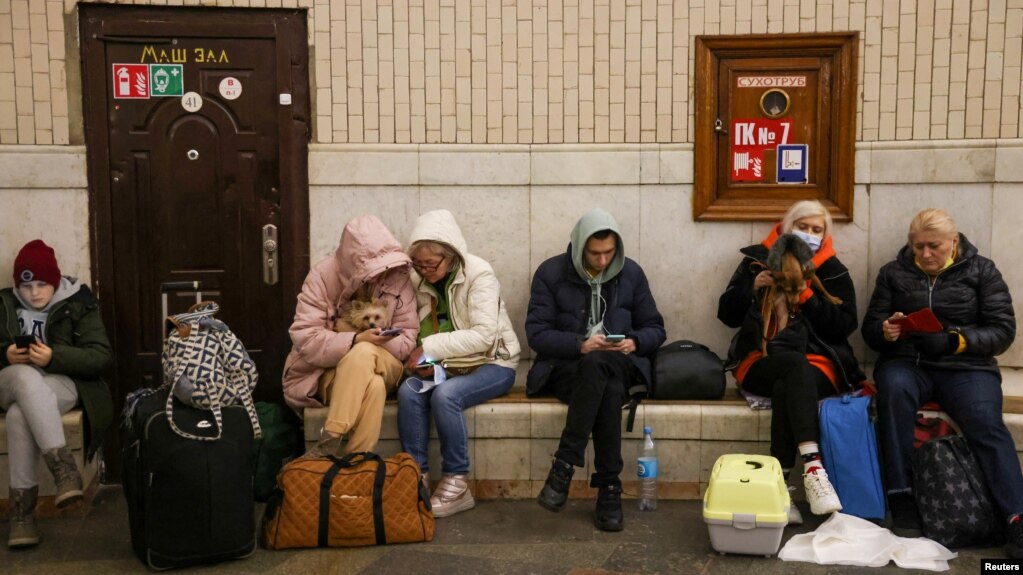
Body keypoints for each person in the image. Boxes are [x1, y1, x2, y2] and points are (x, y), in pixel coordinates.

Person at [862, 208, 1022, 556]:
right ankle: (900, 495)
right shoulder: (893, 273)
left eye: (933, 246)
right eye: (918, 247)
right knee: (893, 394)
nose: (925, 255)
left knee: (985, 422)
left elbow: (1002, 331)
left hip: (966, 367)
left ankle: (1016, 516)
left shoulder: (982, 270)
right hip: (908, 363)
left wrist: (955, 339)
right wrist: (886, 330)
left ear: (954, 241)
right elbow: (871, 329)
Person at [717, 200, 864, 521]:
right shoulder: (756, 260)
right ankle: (813, 469)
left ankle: (780, 491)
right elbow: (725, 314)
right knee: (791, 369)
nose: (809, 235)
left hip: (819, 362)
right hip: (761, 359)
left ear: (825, 235)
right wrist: (751, 288)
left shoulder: (832, 269)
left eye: (816, 230)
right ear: (787, 228)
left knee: (792, 378)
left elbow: (844, 326)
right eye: (803, 227)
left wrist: (808, 297)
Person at [527, 208, 666, 532]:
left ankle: (564, 465)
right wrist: (581, 344)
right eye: (594, 254)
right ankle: (608, 488)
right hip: (567, 367)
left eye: (609, 253)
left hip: (621, 362)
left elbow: (656, 329)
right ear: (578, 247)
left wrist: (633, 342)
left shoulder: (631, 273)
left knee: (602, 369)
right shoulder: (550, 273)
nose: (603, 261)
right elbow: (537, 334)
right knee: (604, 382)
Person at [397, 209, 520, 518]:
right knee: (410, 390)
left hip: (494, 363)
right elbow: (417, 327)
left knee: (445, 395)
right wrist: (423, 357)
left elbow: (483, 336)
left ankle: (457, 482)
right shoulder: (419, 280)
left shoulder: (479, 273)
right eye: (419, 264)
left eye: (431, 264)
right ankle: (416, 477)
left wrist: (430, 349)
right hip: (451, 364)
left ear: (450, 255)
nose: (425, 271)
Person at [1, 240, 113, 548]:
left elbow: (100, 357)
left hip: (60, 382)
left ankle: (22, 518)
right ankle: (63, 469)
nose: (34, 293)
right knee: (24, 376)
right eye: (27, 286)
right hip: (10, 380)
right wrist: (5, 354)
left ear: (55, 281)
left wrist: (54, 357)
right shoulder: (4, 305)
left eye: (42, 284)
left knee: (18, 413)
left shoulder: (79, 303)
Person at [282, 215, 419, 457]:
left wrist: (374, 340)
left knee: (365, 352)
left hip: (388, 363)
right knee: (374, 386)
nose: (378, 277)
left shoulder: (397, 277)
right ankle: (357, 462)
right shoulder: (322, 277)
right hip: (329, 372)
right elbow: (305, 336)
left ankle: (332, 435)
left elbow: (408, 337)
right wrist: (355, 339)